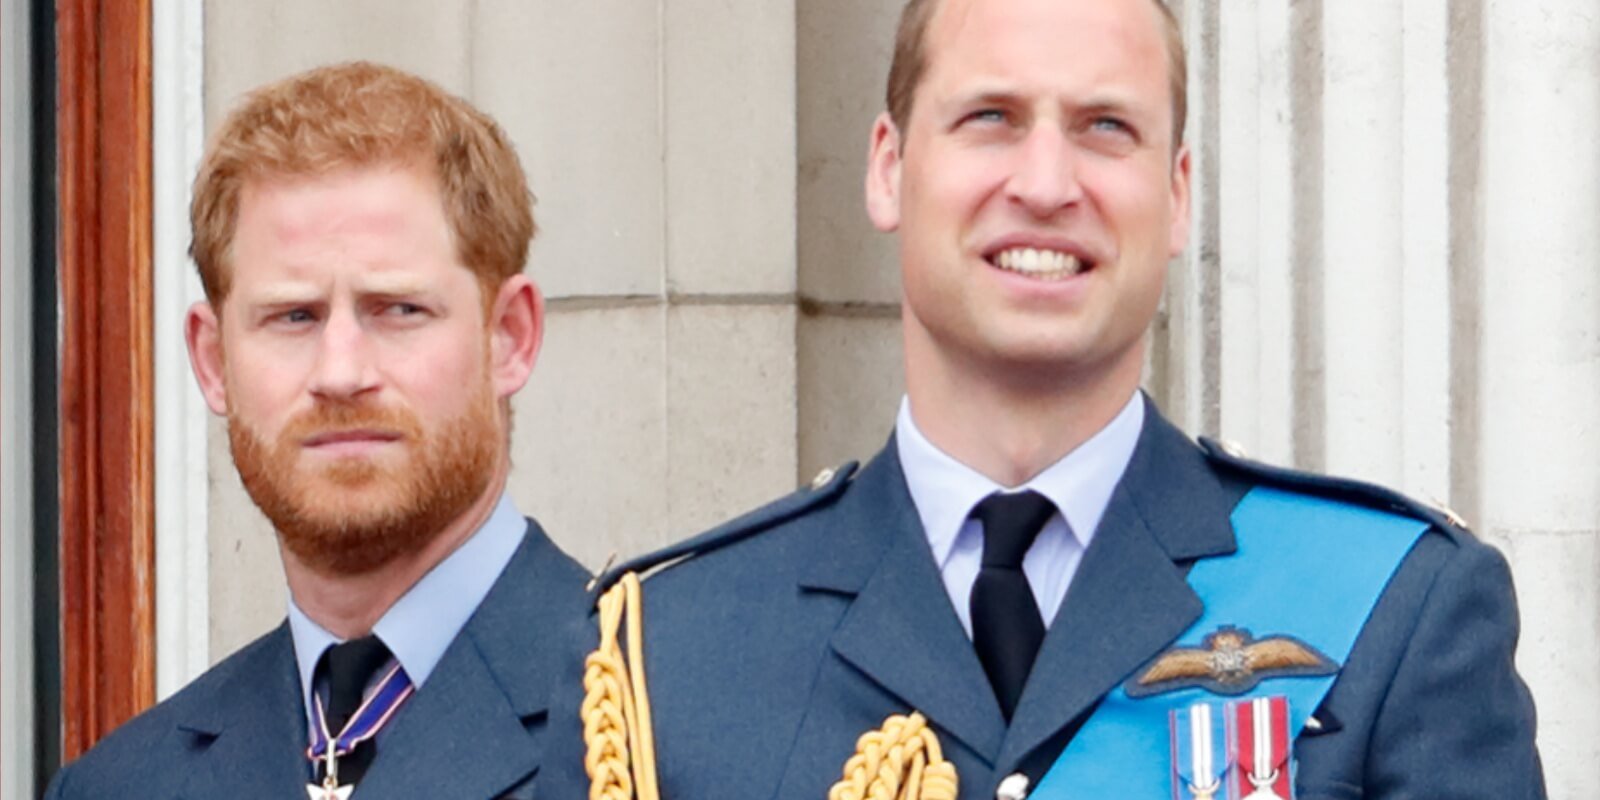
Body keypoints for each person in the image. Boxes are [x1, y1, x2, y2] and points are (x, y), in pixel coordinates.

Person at [551, 0, 1545, 798]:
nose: (1045, 181)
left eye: (1105, 127)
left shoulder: (1392, 605)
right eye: (991, 118)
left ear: (1178, 192)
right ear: (890, 168)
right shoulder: (665, 653)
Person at [45, 62, 589, 800]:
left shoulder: (667, 721)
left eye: (397, 309)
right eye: (293, 316)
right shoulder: (118, 788)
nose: (340, 372)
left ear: (510, 338)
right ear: (212, 361)